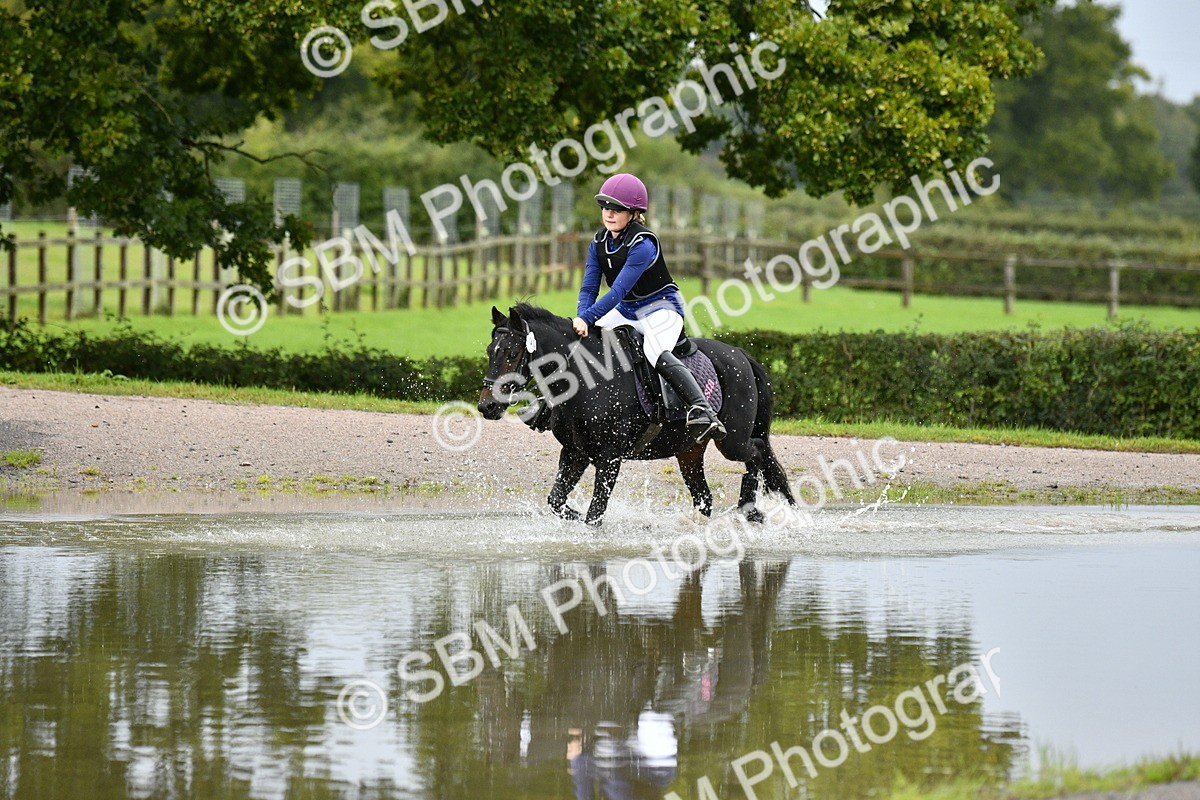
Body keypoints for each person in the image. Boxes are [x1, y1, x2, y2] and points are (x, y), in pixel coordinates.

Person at [525, 173, 725, 441]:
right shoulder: (599, 242)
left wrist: (588, 318)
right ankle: (549, 404)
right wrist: (583, 319)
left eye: (616, 209)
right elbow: (589, 288)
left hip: (662, 309)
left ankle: (702, 409)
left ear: (634, 213)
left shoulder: (643, 244)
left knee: (654, 351)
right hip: (629, 310)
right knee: (581, 343)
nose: (609, 214)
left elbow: (617, 291)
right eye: (605, 208)